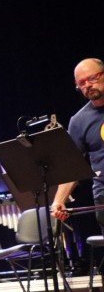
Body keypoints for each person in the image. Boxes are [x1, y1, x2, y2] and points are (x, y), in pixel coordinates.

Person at [51, 58, 104, 227]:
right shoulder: (79, 121)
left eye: (92, 78)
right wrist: (59, 200)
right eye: (81, 82)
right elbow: (72, 166)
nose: (87, 85)